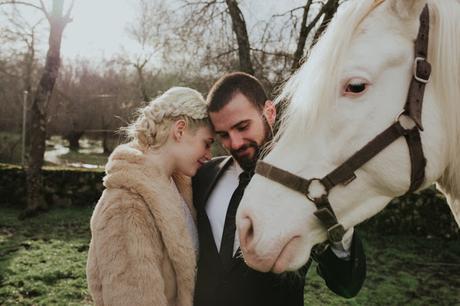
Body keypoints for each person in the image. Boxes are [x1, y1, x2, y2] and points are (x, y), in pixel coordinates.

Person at [192, 72, 366, 306]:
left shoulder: (307, 183)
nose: (235, 143)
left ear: (269, 113)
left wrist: (338, 226)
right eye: (223, 135)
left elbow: (346, 285)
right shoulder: (203, 176)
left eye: (242, 127)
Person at [86, 87, 214, 306]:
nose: (209, 155)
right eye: (207, 143)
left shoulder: (175, 185)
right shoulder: (127, 203)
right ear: (180, 130)